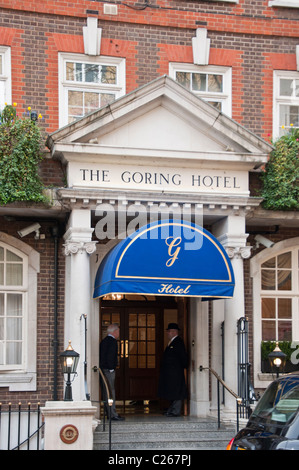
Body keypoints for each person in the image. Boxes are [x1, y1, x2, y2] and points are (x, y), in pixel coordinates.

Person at [158, 323, 188, 417]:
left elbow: (183, 357)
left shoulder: (178, 342)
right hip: (170, 373)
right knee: (171, 391)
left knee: (177, 392)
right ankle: (171, 410)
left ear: (174, 332)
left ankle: (175, 411)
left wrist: (180, 368)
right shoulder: (171, 342)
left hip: (176, 373)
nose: (167, 333)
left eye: (169, 331)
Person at [100, 323, 125, 421]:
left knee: (107, 392)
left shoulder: (104, 341)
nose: (119, 333)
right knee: (111, 392)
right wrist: (111, 369)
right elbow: (110, 356)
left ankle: (109, 413)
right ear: (114, 332)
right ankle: (113, 414)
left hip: (103, 370)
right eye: (118, 331)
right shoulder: (112, 341)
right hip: (108, 370)